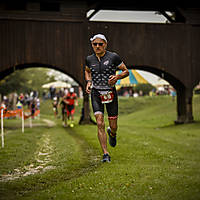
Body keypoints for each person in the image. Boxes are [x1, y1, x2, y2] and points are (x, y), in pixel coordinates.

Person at [85, 34, 129, 162]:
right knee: (99, 122)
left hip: (110, 93)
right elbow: (87, 71)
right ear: (92, 45)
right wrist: (88, 82)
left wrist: (117, 77)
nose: (97, 46)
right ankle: (105, 153)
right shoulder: (89, 59)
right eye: (95, 44)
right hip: (96, 93)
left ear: (105, 44)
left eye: (100, 44)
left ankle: (112, 133)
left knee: (113, 125)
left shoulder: (113, 57)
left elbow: (126, 71)